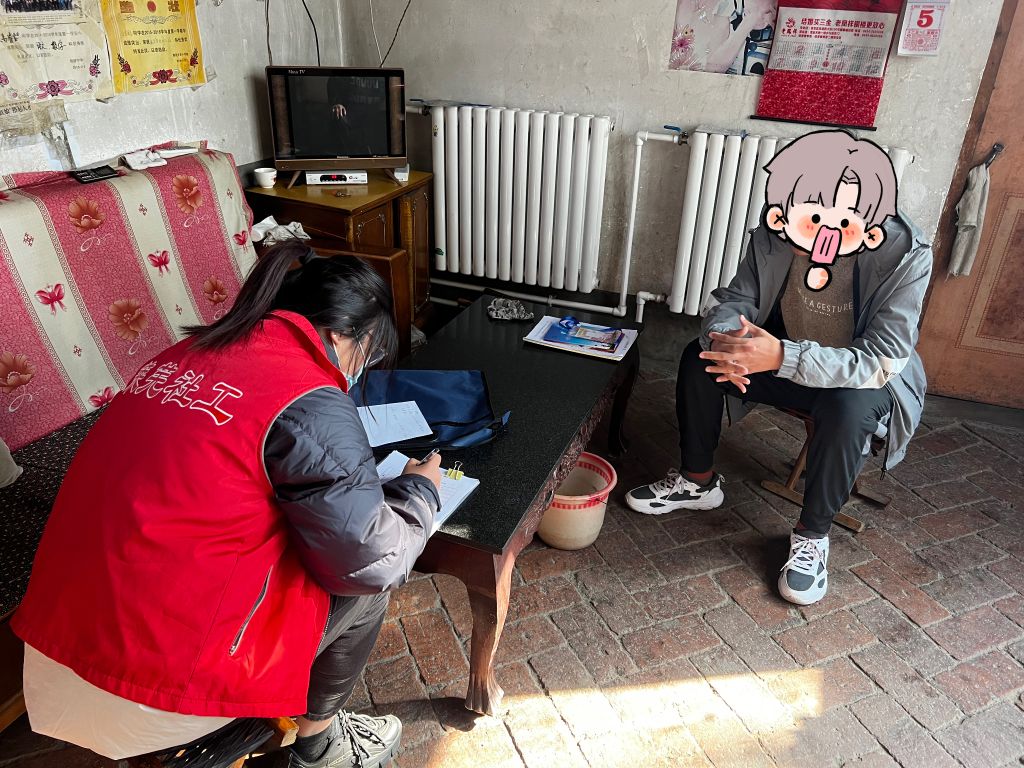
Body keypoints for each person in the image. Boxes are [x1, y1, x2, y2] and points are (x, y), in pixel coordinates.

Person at [12, 242, 443, 768]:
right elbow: (370, 561)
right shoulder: (308, 395)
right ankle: (318, 746)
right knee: (362, 586)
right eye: (368, 356)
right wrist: (418, 492)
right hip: (156, 688)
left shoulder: (180, 357)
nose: (360, 372)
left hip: (53, 654)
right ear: (341, 336)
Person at [626, 130, 931, 606]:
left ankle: (812, 536)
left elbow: (881, 359)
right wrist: (727, 340)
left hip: (857, 378)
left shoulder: (904, 255)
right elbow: (738, 298)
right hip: (782, 354)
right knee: (699, 358)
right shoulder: (778, 225)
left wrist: (781, 357)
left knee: (849, 410)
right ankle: (698, 481)